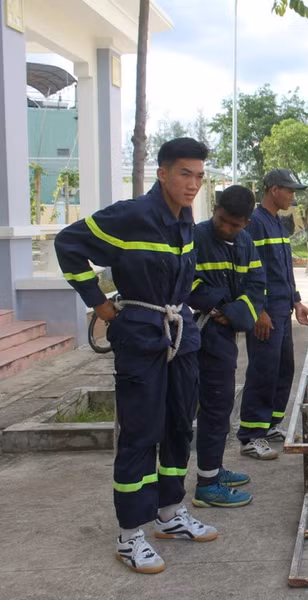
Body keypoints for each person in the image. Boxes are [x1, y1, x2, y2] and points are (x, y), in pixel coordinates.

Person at [56, 137, 217, 574]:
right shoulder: (131, 216)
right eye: (185, 173)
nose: (193, 184)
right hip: (142, 335)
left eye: (199, 176)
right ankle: (130, 536)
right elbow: (67, 244)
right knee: (141, 434)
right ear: (162, 173)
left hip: (179, 336)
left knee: (180, 425)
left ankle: (170, 513)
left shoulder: (185, 219)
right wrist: (98, 300)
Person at [189, 185, 265, 508]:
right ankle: (207, 485)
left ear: (247, 223)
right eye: (222, 220)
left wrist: (233, 314)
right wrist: (219, 305)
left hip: (225, 332)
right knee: (215, 406)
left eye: (235, 225)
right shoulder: (195, 239)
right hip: (201, 334)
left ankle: (214, 468)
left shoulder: (246, 243)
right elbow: (186, 283)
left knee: (220, 408)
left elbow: (257, 286)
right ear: (215, 209)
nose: (226, 229)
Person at [237, 169, 308, 460]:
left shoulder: (277, 223)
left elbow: (282, 267)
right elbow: (250, 273)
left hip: (282, 308)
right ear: (273, 190)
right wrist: (258, 311)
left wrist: (296, 300)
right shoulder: (255, 223)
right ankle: (250, 435)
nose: (293, 197)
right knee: (263, 371)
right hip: (266, 312)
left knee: (283, 369)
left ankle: (269, 426)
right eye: (289, 191)